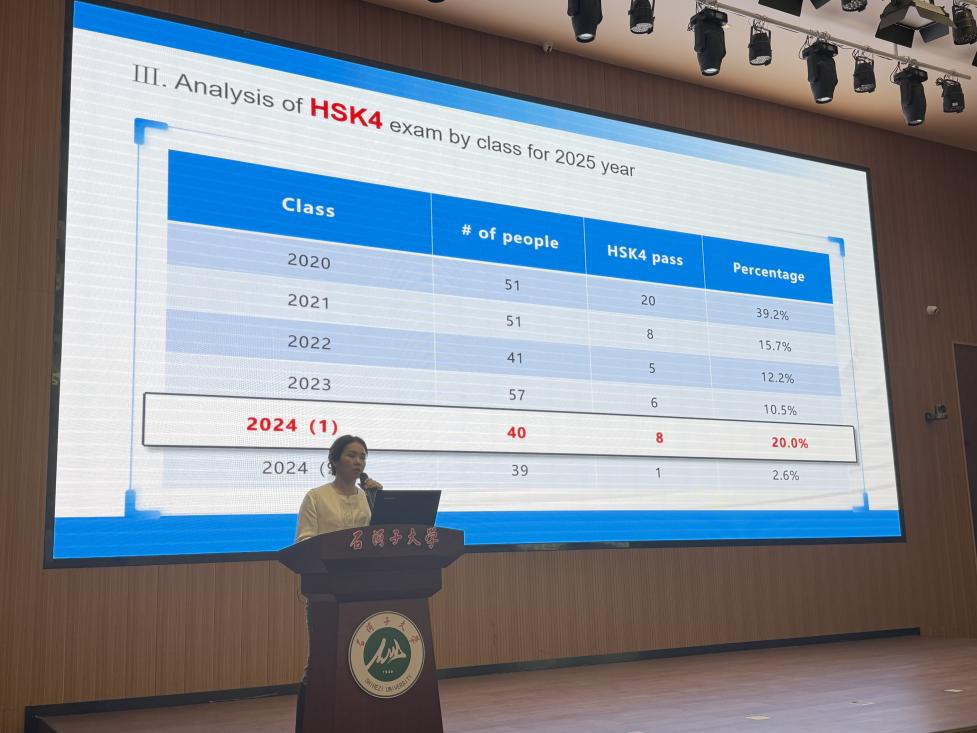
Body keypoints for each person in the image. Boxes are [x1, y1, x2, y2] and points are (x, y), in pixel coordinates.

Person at [294, 434, 382, 733]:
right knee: (320, 663)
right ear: (334, 460)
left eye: (363, 457)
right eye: (351, 455)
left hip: (364, 590)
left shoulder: (368, 498)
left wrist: (381, 503)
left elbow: (380, 541)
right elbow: (305, 541)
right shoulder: (316, 497)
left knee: (359, 662)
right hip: (326, 592)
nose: (358, 461)